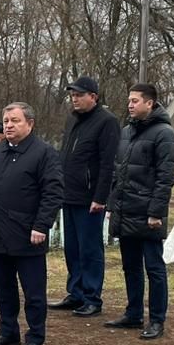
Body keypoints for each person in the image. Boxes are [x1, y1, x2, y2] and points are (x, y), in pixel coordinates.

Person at [0, 102, 65, 345]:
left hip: (27, 235)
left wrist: (41, 225)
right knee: (3, 287)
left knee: (34, 291)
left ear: (30, 124)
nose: (9, 125)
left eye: (15, 121)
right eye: (6, 121)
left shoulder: (44, 153)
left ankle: (35, 338)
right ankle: (8, 331)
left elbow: (53, 193)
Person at [104, 82, 174, 339]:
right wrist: (113, 205)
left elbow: (166, 177)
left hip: (148, 213)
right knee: (130, 266)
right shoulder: (127, 132)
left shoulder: (164, 134)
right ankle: (133, 313)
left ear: (150, 103)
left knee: (154, 268)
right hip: (126, 210)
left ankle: (157, 319)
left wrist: (156, 212)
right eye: (129, 100)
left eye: (135, 101)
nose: (130, 105)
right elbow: (119, 173)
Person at [49, 76, 120, 317]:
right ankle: (75, 292)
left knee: (90, 249)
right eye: (72, 95)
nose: (75, 99)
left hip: (90, 198)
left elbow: (108, 163)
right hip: (69, 193)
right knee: (72, 248)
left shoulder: (107, 122)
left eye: (79, 95)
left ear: (94, 96)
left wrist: (101, 197)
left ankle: (92, 297)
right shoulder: (72, 120)